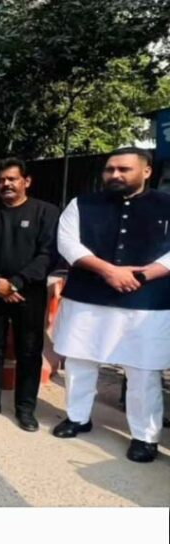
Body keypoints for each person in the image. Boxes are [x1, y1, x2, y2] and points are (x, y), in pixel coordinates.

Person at [52, 148, 170, 463]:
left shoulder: (166, 204)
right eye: (110, 169)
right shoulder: (81, 204)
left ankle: (145, 436)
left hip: (146, 302)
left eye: (123, 169)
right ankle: (77, 417)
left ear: (146, 171)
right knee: (79, 361)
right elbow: (67, 243)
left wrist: (142, 276)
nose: (114, 174)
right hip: (87, 297)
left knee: (142, 371)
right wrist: (108, 271)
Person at [0, 158, 60, 432]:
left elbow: (48, 254)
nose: (6, 184)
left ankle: (25, 408)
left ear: (26, 181)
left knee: (29, 351)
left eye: (12, 179)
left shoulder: (46, 212)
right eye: (1, 180)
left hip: (29, 294)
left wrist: (15, 284)